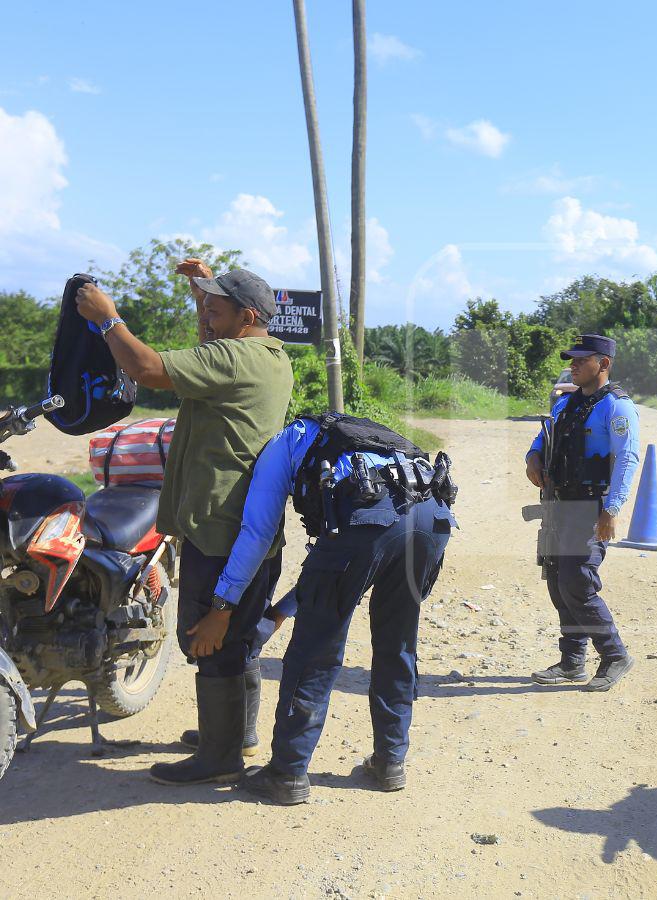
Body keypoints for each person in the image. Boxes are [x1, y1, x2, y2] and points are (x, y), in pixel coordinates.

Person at [75, 260, 294, 785]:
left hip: (218, 529)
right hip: (249, 529)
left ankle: (218, 758)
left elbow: (148, 368)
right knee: (239, 635)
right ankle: (234, 734)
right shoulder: (268, 355)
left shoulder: (233, 357)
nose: (206, 309)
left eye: (217, 304)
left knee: (208, 638)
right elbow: (211, 341)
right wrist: (206, 292)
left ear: (246, 316)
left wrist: (108, 320)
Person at [215, 412, 457, 805]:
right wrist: (287, 607)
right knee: (398, 642)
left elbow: (258, 533)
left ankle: (288, 773)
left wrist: (225, 600)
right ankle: (390, 762)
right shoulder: (363, 436)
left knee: (315, 650)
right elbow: (329, 566)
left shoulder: (281, 443)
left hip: (368, 521)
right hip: (432, 518)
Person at [524, 333, 640, 692]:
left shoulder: (617, 407)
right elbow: (542, 438)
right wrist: (533, 456)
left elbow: (627, 459)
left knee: (578, 581)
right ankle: (572, 661)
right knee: (558, 583)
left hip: (591, 507)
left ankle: (614, 654)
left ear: (603, 364)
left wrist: (612, 509)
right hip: (558, 505)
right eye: (571, 360)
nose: (572, 366)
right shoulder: (566, 404)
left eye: (580, 360)